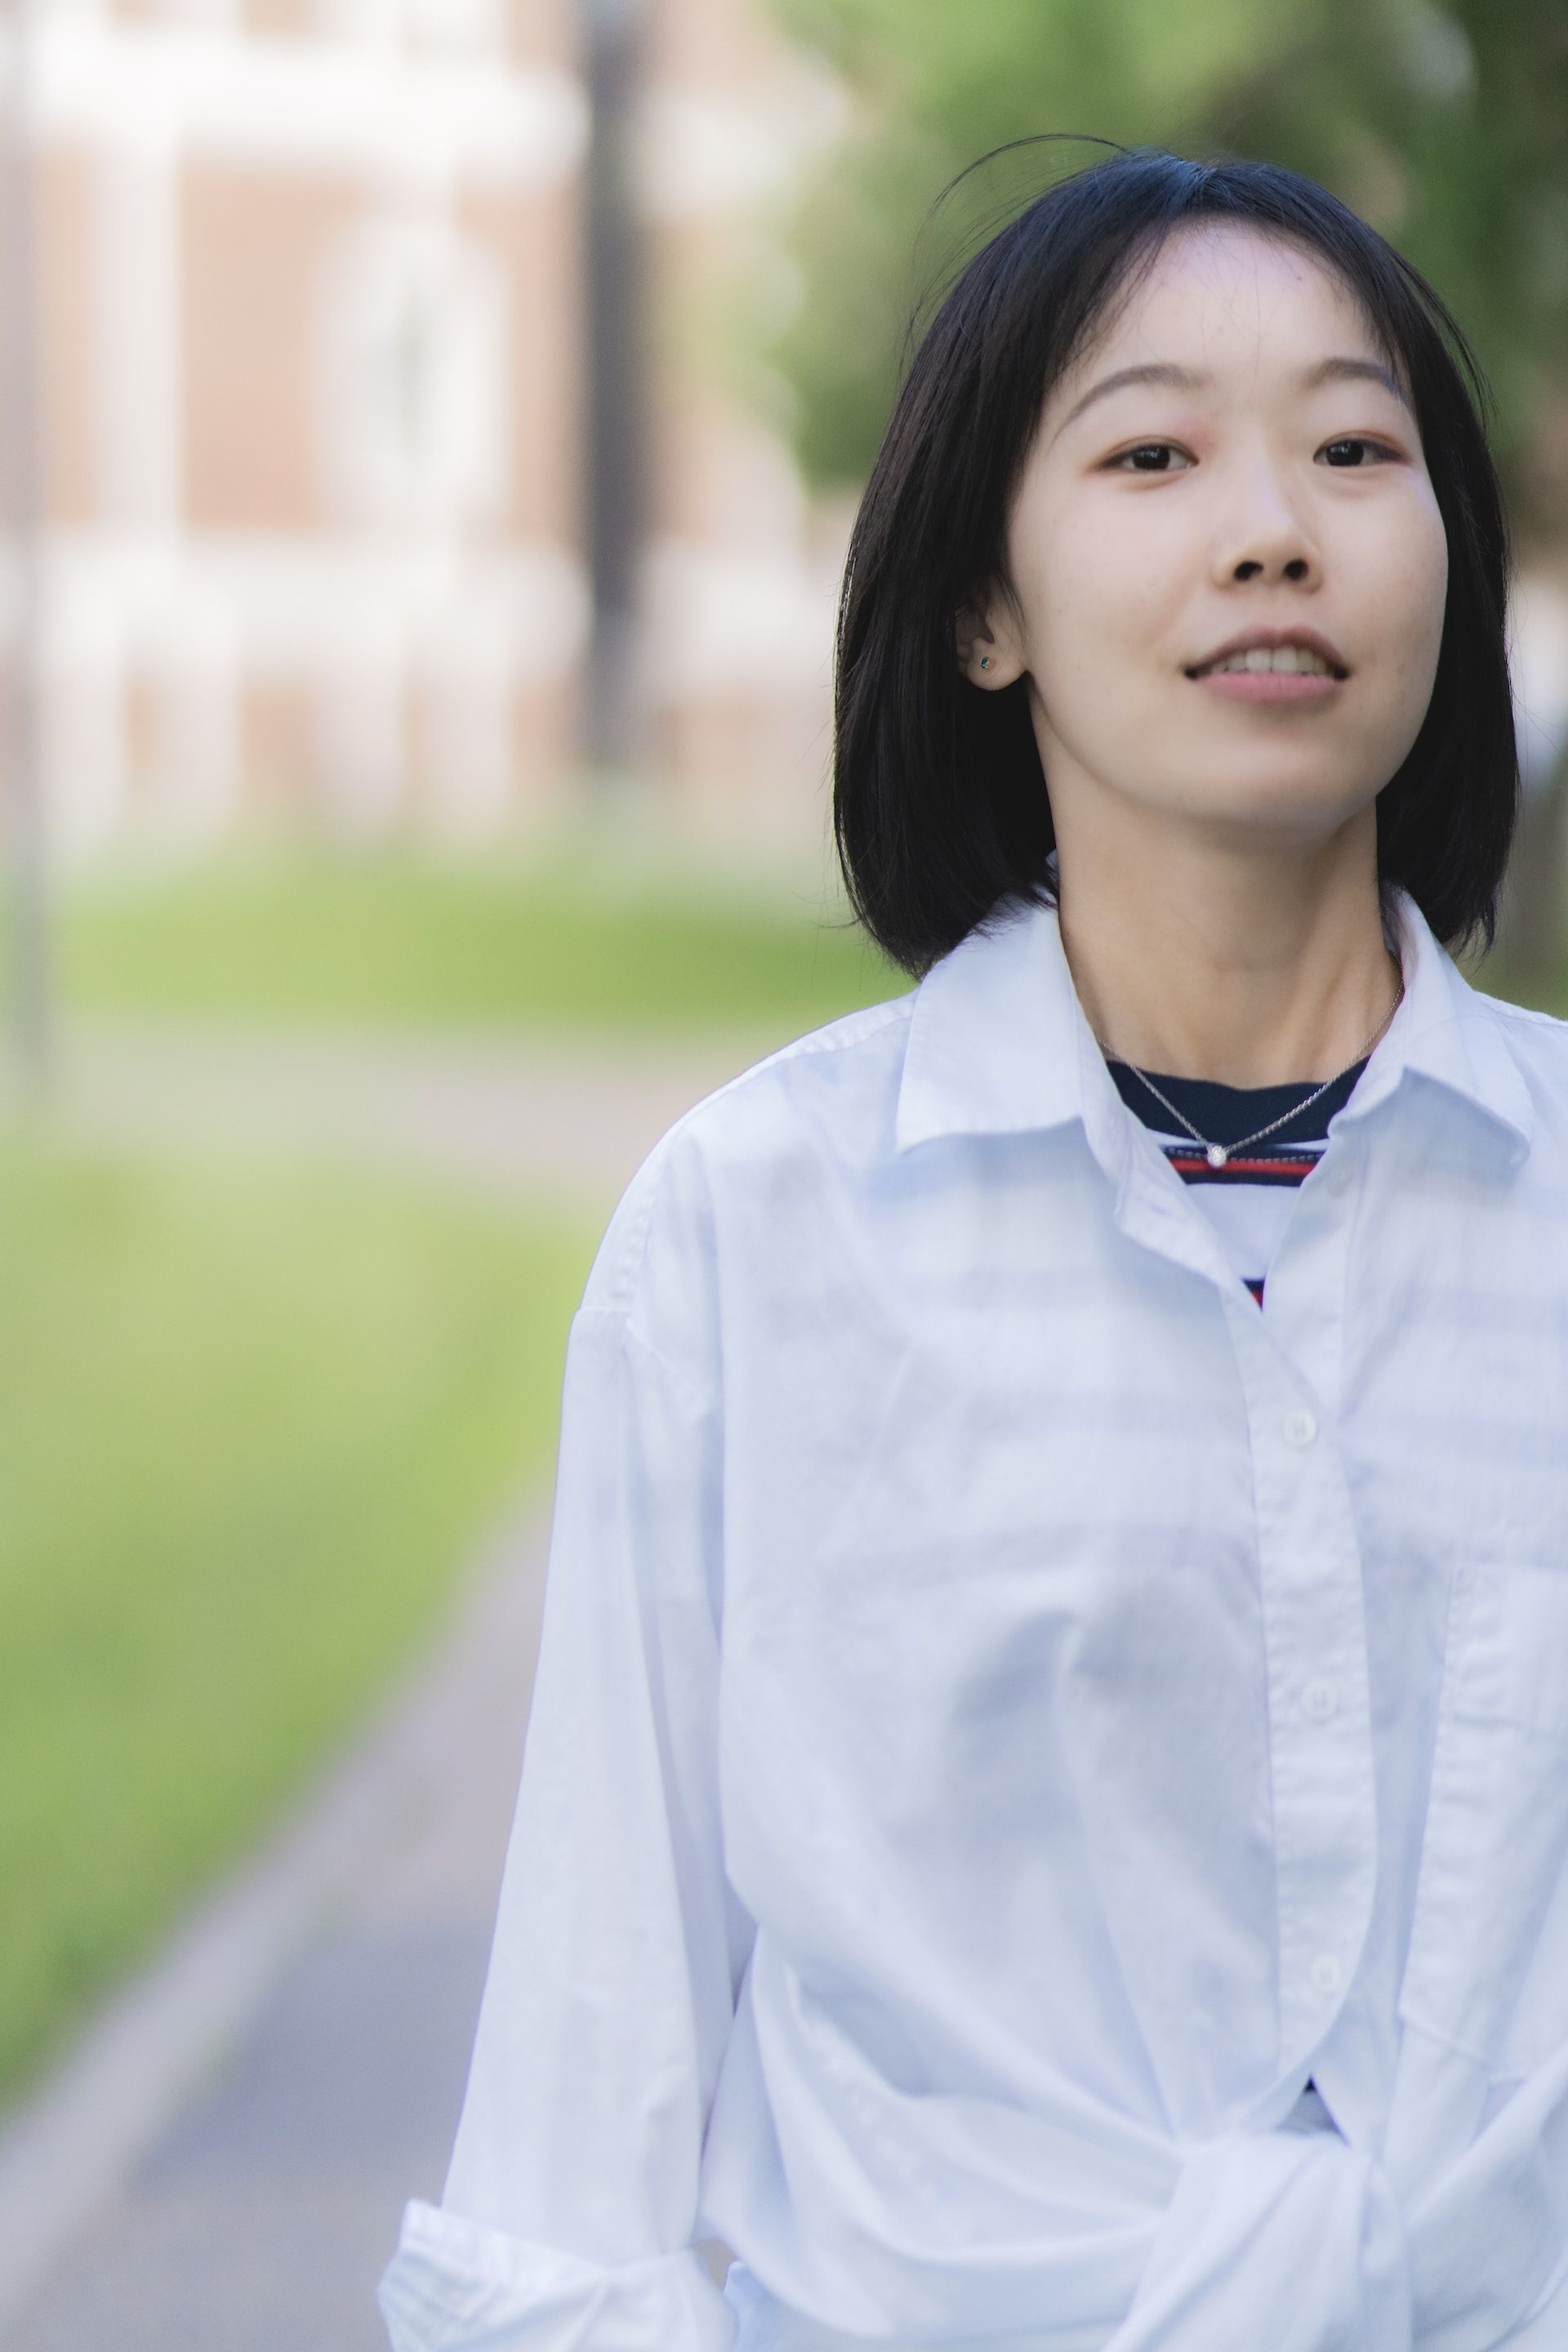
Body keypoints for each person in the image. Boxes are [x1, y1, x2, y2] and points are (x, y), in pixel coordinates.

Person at [378, 147, 1568, 2352]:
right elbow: (583, 2116)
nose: (1271, 525)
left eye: (1353, 446)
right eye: (1151, 450)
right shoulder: (763, 1237)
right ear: (981, 605)